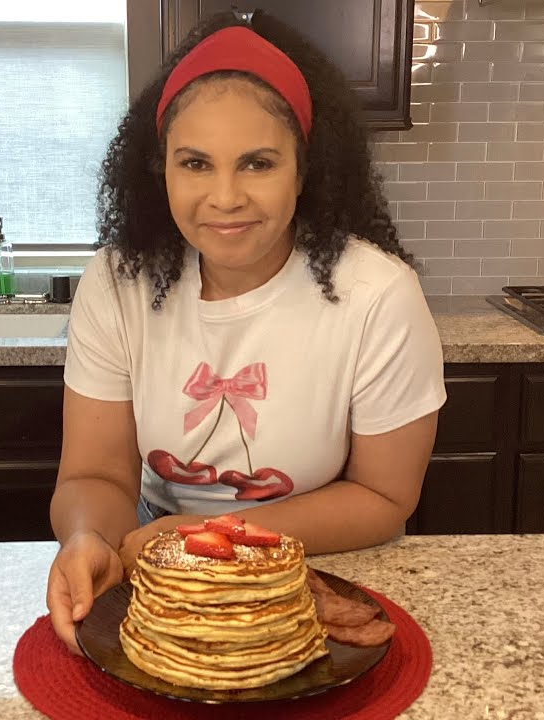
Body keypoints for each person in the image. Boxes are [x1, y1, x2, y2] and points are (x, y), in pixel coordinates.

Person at [46, 10, 445, 653]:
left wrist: (216, 534)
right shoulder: (117, 284)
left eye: (258, 163)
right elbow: (94, 474)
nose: (225, 197)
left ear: (304, 171)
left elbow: (383, 497)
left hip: (322, 561)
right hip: (154, 560)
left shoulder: (378, 294)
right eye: (195, 163)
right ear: (161, 170)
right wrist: (87, 536)